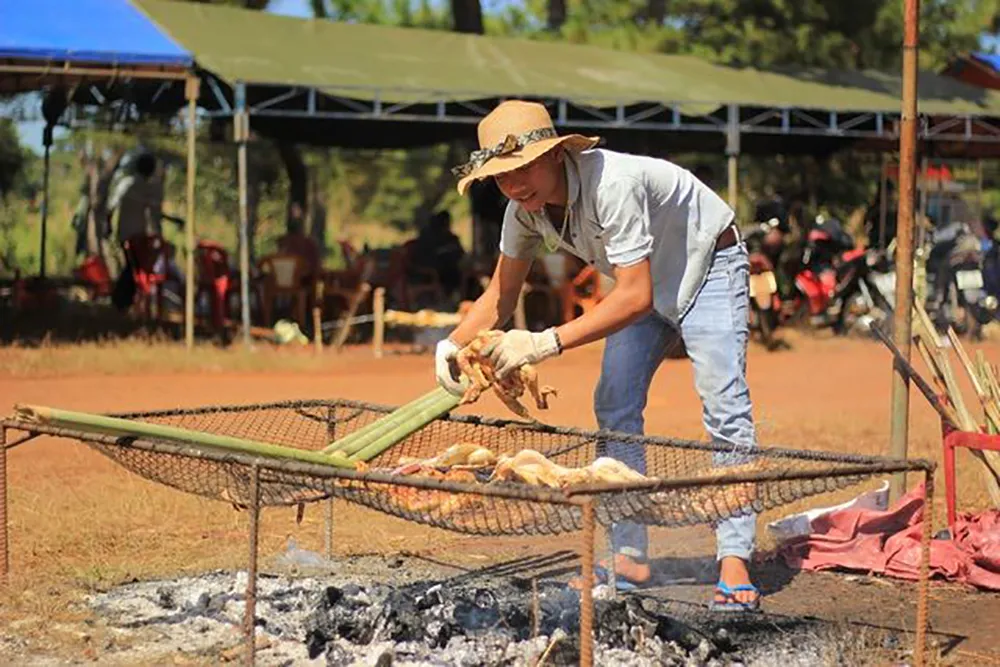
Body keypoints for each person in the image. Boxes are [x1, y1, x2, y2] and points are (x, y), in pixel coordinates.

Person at [433, 100, 761, 611]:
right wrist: (451, 348)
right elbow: (500, 294)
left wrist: (544, 342)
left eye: (524, 168)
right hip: (644, 280)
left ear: (556, 155)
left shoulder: (612, 184)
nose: (516, 184)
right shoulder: (523, 211)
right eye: (502, 176)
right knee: (614, 402)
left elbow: (634, 296)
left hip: (707, 263)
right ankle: (628, 553)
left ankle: (735, 556)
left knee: (724, 404)